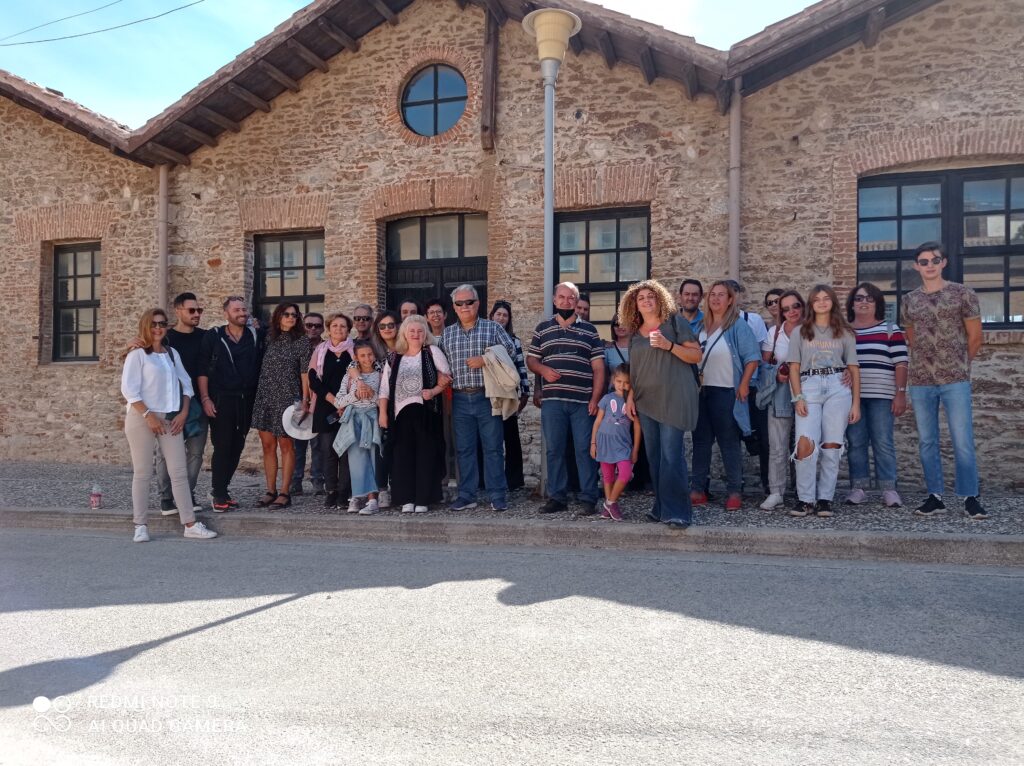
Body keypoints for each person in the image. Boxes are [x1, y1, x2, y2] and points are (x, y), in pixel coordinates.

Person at [901, 241, 987, 519]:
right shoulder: (909, 300)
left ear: (943, 263)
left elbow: (975, 337)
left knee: (962, 439)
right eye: (924, 261)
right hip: (921, 380)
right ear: (916, 266)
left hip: (955, 379)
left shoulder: (963, 294)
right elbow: (912, 338)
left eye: (934, 260)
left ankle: (970, 497)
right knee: (927, 440)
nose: (930, 265)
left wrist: (959, 365)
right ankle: (935, 496)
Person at [121, 308, 217, 542]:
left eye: (162, 323)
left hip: (170, 418)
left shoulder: (172, 353)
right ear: (146, 325)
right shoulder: (137, 355)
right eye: (154, 323)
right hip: (141, 417)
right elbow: (129, 390)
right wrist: (149, 416)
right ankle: (140, 525)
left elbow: (187, 385)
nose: (158, 328)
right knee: (143, 473)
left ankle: (190, 524)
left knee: (179, 472)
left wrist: (183, 413)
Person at [619, 280, 702, 528]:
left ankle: (678, 512)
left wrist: (669, 346)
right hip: (645, 401)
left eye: (651, 296)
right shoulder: (635, 333)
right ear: (634, 304)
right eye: (641, 298)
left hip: (674, 398)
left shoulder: (675, 323)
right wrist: (630, 396)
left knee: (671, 454)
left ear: (660, 299)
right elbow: (635, 371)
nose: (646, 300)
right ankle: (661, 506)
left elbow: (696, 355)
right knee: (654, 456)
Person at [527, 281, 606, 516]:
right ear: (554, 300)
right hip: (553, 401)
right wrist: (543, 370)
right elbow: (532, 360)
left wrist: (595, 398)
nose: (566, 301)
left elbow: (599, 368)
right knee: (554, 450)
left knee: (585, 450)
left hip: (582, 402)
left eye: (571, 297)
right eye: (561, 297)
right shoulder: (542, 329)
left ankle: (589, 498)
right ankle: (557, 498)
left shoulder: (590, 331)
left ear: (576, 301)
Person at [441, 285, 518, 511]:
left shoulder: (492, 327)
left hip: (487, 396)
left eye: (469, 302)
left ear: (478, 303)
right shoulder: (447, 333)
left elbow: (511, 351)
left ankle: (497, 495)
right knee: (464, 450)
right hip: (459, 398)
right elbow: (440, 362)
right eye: (459, 303)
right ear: (454, 307)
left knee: (493, 448)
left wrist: (486, 359)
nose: (465, 306)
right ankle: (467, 495)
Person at [787, 284, 861, 518]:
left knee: (832, 445)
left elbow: (853, 368)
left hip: (838, 386)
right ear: (811, 303)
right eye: (816, 299)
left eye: (826, 298)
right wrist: (798, 397)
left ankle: (825, 499)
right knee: (804, 444)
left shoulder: (845, 332)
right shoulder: (800, 332)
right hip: (809, 385)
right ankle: (805, 499)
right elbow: (794, 367)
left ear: (833, 302)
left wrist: (856, 403)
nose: (821, 302)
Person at [690, 280, 760, 511]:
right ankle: (698, 489)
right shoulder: (700, 326)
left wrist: (744, 384)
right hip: (701, 392)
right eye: (712, 294)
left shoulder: (737, 326)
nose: (716, 299)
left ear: (730, 300)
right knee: (701, 442)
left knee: (729, 442)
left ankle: (734, 492)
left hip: (726, 391)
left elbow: (752, 357)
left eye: (721, 295)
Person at [379, 315, 451, 513]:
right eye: (412, 331)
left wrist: (433, 392)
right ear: (404, 334)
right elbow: (384, 389)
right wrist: (383, 413)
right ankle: (406, 499)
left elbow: (446, 378)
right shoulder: (394, 357)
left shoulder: (432, 352)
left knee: (425, 455)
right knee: (402, 457)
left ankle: (423, 499)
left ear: (425, 333)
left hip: (426, 412)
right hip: (400, 414)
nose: (416, 334)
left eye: (420, 331)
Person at [844, 282, 908, 508]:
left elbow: (901, 364)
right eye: (859, 298)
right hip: (852, 397)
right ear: (852, 304)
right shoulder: (844, 331)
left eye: (870, 299)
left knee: (883, 442)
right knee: (856, 442)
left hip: (882, 395)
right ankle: (858, 489)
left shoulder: (890, 329)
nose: (864, 302)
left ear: (877, 304)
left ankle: (889, 489)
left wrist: (900, 394)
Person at [198, 296, 263, 512]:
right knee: (223, 444)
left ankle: (222, 489)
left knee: (238, 445)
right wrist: (205, 398)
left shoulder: (255, 335)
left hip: (246, 399)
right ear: (226, 313)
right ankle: (218, 493)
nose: (242, 313)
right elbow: (203, 369)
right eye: (236, 310)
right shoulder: (213, 336)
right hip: (221, 398)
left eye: (244, 309)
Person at [250, 303, 313, 510]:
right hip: (265, 396)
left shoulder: (302, 340)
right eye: (286, 314)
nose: (291, 317)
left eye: (294, 315)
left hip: (288, 398)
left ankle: (285, 492)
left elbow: (305, 372)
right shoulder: (267, 337)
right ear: (278, 316)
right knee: (267, 445)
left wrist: (305, 399)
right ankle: (270, 491)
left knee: (287, 446)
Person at [154, 292, 206, 516]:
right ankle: (166, 498)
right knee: (165, 453)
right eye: (191, 310)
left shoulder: (206, 337)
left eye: (199, 310)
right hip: (170, 404)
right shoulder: (167, 338)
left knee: (196, 453)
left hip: (198, 403)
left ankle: (186, 494)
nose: (196, 314)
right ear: (178, 311)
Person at [758, 290, 803, 511]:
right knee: (777, 445)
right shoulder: (775, 332)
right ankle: (776, 492)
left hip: (809, 390)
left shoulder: (813, 330)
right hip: (782, 391)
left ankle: (804, 491)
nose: (791, 311)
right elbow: (764, 364)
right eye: (786, 309)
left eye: (795, 306)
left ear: (803, 306)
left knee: (805, 444)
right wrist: (776, 374)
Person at [725, 279, 771, 494]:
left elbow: (761, 352)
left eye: (733, 294)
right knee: (732, 435)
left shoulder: (753, 320)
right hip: (727, 385)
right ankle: (736, 482)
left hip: (752, 386)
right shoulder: (714, 322)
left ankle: (767, 482)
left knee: (762, 435)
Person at [307, 313, 354, 510]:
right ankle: (331, 491)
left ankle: (344, 492)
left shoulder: (354, 351)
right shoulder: (320, 350)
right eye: (335, 326)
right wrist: (334, 400)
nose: (338, 329)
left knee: (346, 452)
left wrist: (345, 402)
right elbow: (313, 379)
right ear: (329, 328)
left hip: (349, 407)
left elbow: (360, 377)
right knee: (328, 451)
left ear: (348, 329)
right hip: (326, 407)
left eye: (343, 326)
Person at [333, 341, 382, 514]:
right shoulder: (349, 376)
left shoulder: (380, 375)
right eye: (362, 355)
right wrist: (354, 394)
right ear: (356, 358)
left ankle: (373, 499)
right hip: (353, 421)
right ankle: (357, 496)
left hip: (373, 420)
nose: (367, 358)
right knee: (356, 460)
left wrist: (371, 393)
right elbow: (338, 401)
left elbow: (384, 400)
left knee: (373, 458)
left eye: (370, 354)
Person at [590, 364, 641, 522]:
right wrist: (593, 443)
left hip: (622, 444)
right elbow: (597, 422)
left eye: (626, 383)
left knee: (625, 473)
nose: (622, 385)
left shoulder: (632, 401)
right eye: (619, 381)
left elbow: (637, 426)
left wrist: (635, 450)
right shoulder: (607, 399)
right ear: (613, 380)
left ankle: (609, 503)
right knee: (608, 476)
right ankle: (612, 506)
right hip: (604, 441)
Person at [488, 300, 530, 490]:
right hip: (488, 393)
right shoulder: (485, 337)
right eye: (498, 314)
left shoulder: (514, 341)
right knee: (489, 437)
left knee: (511, 436)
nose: (501, 318)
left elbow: (521, 366)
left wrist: (525, 391)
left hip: (509, 393)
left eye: (505, 315)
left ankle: (514, 480)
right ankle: (487, 480)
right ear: (492, 316)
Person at [292, 311, 326, 497]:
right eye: (309, 325)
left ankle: (317, 480)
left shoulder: (326, 348)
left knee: (317, 444)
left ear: (323, 328)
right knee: (297, 442)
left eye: (317, 325)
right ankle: (295, 481)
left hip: (319, 399)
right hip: (297, 398)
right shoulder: (295, 347)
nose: (313, 328)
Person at [370, 309, 401, 507]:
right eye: (382, 326)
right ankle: (382, 489)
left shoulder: (406, 349)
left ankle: (398, 488)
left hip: (402, 403)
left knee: (399, 447)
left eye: (391, 325)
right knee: (381, 448)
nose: (387, 329)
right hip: (378, 404)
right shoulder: (373, 352)